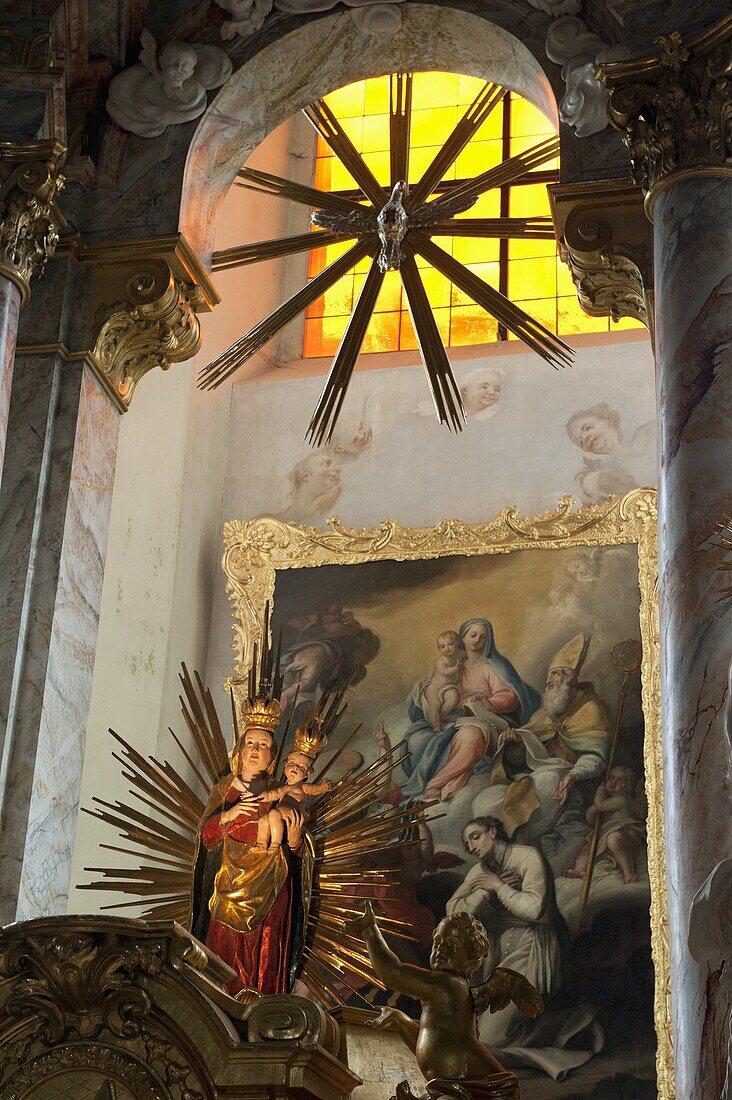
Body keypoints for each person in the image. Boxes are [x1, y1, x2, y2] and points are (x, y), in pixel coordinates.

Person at [447, 817, 601, 1080]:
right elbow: (453, 912)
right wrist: (485, 892)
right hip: (500, 952)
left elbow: (535, 909)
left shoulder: (528, 856)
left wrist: (499, 887)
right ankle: (570, 1027)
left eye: (475, 836)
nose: (470, 846)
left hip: (534, 946)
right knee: (475, 1034)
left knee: (489, 1038)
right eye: (466, 843)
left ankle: (576, 1023)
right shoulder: (481, 871)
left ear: (493, 831)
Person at [346, 901, 528, 1100]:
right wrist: (400, 1019)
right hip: (444, 1086)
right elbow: (433, 1040)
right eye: (438, 942)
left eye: (451, 946)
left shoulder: (449, 985)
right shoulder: (447, 995)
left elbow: (393, 972)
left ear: (470, 958)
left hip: (458, 1086)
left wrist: (370, 931)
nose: (441, 950)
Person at [190, 696, 308, 998]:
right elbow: (206, 838)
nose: (256, 750)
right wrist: (228, 815)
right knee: (222, 950)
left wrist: (295, 843)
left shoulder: (279, 793)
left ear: (272, 756)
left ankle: (261, 1007)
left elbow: (300, 850)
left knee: (264, 952)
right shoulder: (224, 789)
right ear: (240, 750)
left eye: (263, 745)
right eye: (251, 743)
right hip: (228, 884)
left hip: (271, 888)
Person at [476, 633, 611, 864]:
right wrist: (512, 743)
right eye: (549, 675)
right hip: (531, 775)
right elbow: (522, 756)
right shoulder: (544, 713)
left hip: (571, 781)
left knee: (548, 782)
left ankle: (518, 849)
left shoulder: (591, 710)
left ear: (571, 678)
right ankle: (498, 854)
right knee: (484, 801)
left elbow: (595, 756)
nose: (549, 680)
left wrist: (572, 775)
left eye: (556, 674)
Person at [402, 618, 541, 802]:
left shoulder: (489, 667)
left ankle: (436, 783)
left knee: (472, 734)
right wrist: (423, 688)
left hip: (481, 719)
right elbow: (436, 686)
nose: (477, 640)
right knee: (418, 738)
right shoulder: (454, 665)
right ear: (463, 638)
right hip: (451, 719)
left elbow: (509, 697)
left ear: (487, 641)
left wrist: (486, 702)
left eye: (483, 637)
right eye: (473, 635)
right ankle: (455, 780)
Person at [563, 765, 645, 884]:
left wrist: (600, 790)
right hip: (607, 833)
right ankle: (580, 870)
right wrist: (594, 810)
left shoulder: (622, 799)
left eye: (619, 781)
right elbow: (590, 818)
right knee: (587, 847)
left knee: (614, 839)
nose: (613, 782)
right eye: (611, 778)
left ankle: (629, 872)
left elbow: (600, 805)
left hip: (626, 833)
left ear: (628, 787)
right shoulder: (609, 802)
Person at [254, 749, 332, 850]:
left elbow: (313, 789)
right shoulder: (284, 788)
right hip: (281, 813)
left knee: (274, 813)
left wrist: (322, 787)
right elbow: (272, 794)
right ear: (285, 764)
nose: (295, 767)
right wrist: (259, 796)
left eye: (302, 767)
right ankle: (261, 844)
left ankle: (275, 844)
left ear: (307, 773)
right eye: (292, 763)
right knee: (263, 820)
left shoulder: (302, 787)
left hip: (293, 813)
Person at [422, 630, 465, 731]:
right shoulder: (441, 661)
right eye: (442, 646)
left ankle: (439, 717)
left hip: (449, 686)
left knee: (453, 698)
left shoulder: (461, 653)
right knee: (435, 704)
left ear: (457, 643)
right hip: (434, 686)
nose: (447, 648)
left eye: (450, 644)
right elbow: (445, 671)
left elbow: (469, 656)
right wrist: (455, 668)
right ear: (439, 649)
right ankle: (436, 725)